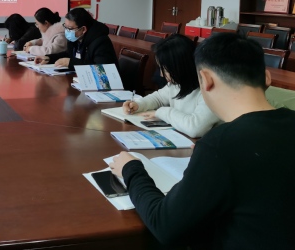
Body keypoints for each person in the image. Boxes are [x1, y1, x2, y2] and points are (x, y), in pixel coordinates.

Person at [110, 33, 295, 249]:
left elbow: (163, 225)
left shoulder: (220, 146)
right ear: (267, 78)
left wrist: (131, 170)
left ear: (206, 80)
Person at [121, 34, 219, 138]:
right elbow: (158, 98)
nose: (161, 74)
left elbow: (195, 128)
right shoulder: (177, 84)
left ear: (180, 67)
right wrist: (138, 105)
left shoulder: (208, 91)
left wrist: (161, 112)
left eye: (165, 69)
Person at [35, 8, 117, 68]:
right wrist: (49, 58)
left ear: (83, 29)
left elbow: (101, 69)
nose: (67, 31)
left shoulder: (100, 42)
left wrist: (71, 63)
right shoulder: (76, 38)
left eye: (70, 28)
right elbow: (69, 54)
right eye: (65, 27)